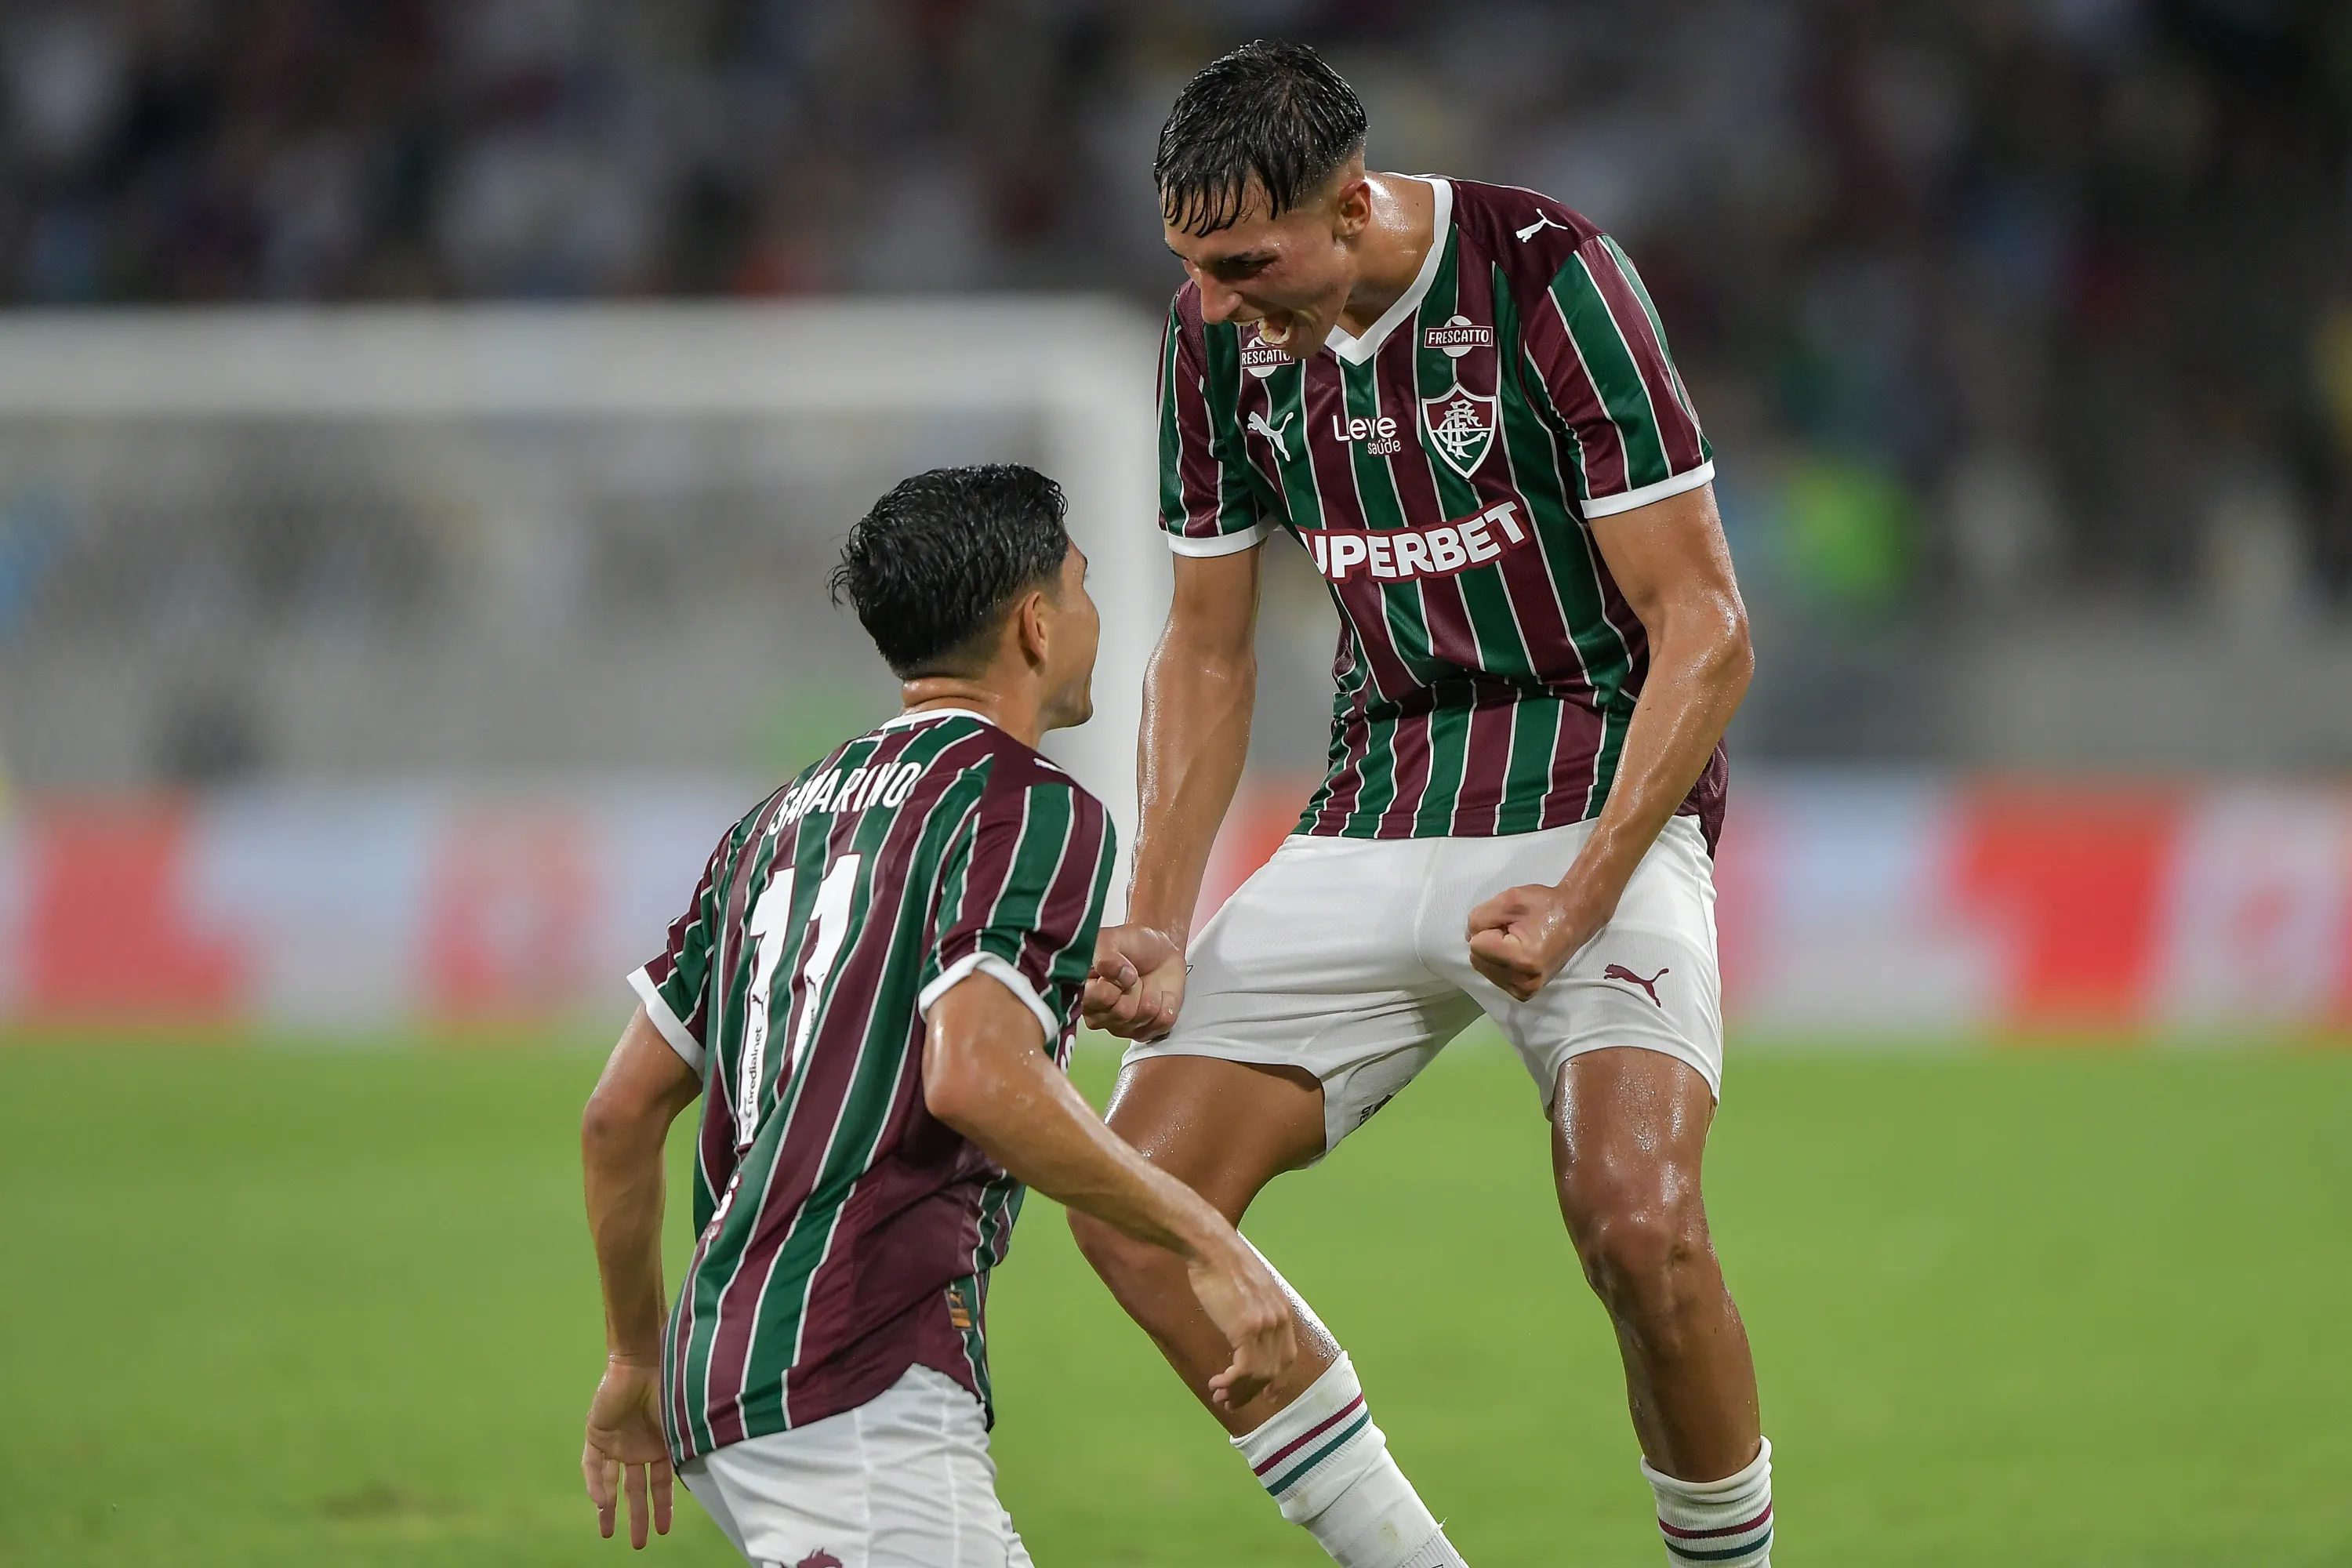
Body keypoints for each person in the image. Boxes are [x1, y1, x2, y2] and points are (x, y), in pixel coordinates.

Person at [1074, 41, 1773, 1568]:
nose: (1219, 302)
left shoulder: (1545, 278)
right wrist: (1159, 920)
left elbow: (1705, 626)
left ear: (1353, 203)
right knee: (1133, 1202)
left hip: (1595, 803)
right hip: (1376, 806)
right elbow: (1203, 644)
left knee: (1637, 1226)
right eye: (1194, 267)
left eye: (1248, 263)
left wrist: (1585, 893)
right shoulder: (1212, 343)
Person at [579, 464, 1295, 1566]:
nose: (1098, 618)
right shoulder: (1030, 803)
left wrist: (632, 1361)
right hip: (853, 1365)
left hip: (717, 1371)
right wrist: (1205, 1237)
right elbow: (973, 1078)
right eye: (1086, 587)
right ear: (1035, 623)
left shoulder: (779, 823)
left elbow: (619, 1114)